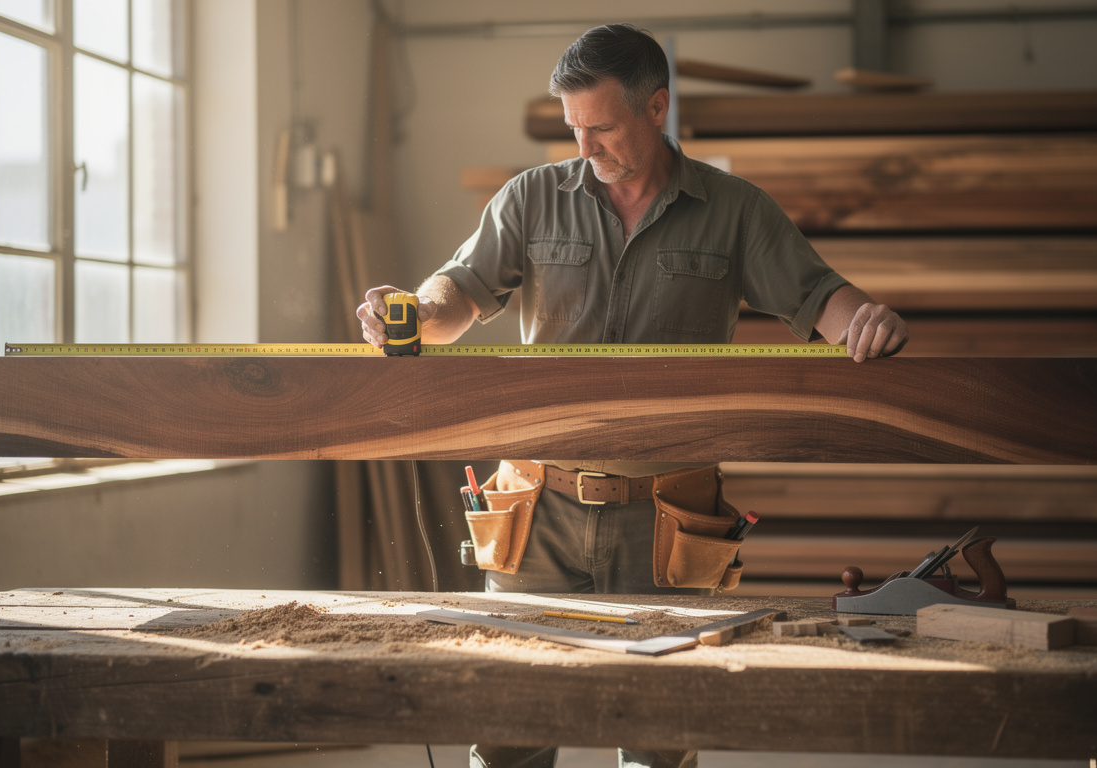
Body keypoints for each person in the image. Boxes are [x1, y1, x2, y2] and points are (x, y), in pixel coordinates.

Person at [358, 23, 907, 768]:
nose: (585, 147)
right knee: (509, 729)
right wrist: (418, 312)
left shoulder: (735, 209)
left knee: (659, 738)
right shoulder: (532, 198)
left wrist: (866, 321)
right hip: (536, 510)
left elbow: (819, 298)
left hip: (667, 515)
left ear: (657, 108)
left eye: (603, 127)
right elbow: (461, 291)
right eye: (573, 128)